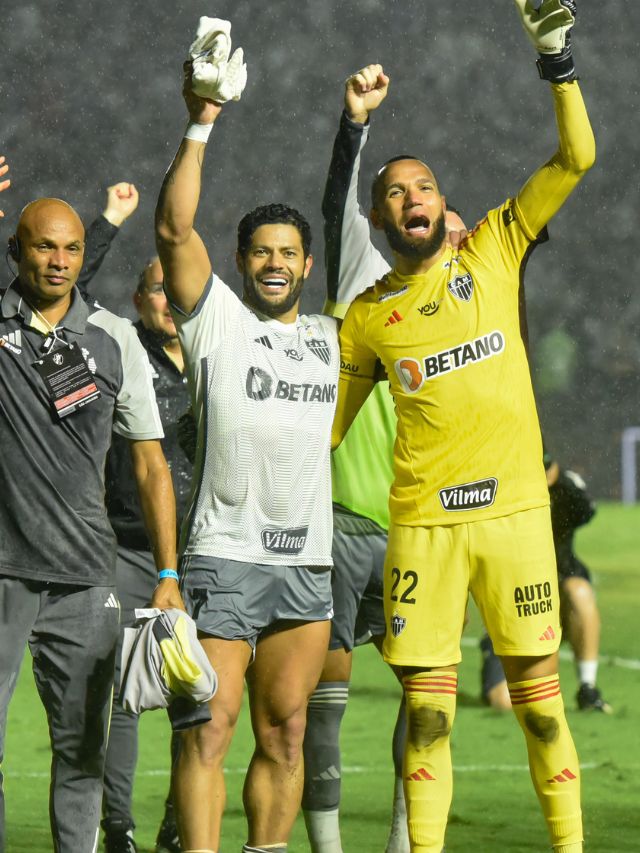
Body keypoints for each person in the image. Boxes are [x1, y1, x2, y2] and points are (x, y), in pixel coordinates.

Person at [332, 2, 595, 851]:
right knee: (431, 719)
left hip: (516, 518)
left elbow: (576, 156)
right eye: (394, 192)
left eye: (424, 186)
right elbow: (325, 429)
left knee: (544, 714)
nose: (411, 198)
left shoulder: (493, 249)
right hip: (426, 533)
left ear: (446, 206)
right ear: (379, 222)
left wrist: (556, 63)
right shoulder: (368, 319)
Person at [154, 41, 339, 853]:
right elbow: (172, 225)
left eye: (287, 252)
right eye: (260, 250)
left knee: (288, 730)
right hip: (223, 555)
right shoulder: (216, 320)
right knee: (208, 723)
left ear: (306, 264)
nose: (273, 262)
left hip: (307, 564)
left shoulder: (335, 338)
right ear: (240, 261)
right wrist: (202, 121)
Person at [302, 67, 469, 853]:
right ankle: (331, 847)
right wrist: (353, 126)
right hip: (338, 525)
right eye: (401, 198)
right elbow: (340, 203)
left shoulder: (469, 315)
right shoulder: (361, 280)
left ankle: (408, 842)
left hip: (424, 531)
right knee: (324, 696)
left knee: (425, 696)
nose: (426, 215)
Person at [0, 187, 183, 852]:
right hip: (2, 575)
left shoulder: (114, 341)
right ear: (16, 250)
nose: (58, 260)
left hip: (87, 581)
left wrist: (166, 570)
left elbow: (150, 465)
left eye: (72, 248)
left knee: (82, 755)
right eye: (44, 245)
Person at [73, 185, 190, 853]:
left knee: (192, 695)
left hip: (201, 552)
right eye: (154, 289)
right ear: (139, 299)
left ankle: (181, 825)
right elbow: (65, 295)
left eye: (176, 288)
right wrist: (108, 222)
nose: (167, 300)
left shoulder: (215, 358)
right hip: (123, 547)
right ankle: (117, 828)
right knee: (118, 694)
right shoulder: (117, 347)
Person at [481, 455, 612, 714]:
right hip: (513, 606)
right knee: (503, 702)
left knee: (580, 591)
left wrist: (558, 479)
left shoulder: (564, 490)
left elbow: (586, 511)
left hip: (557, 592)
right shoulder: (508, 491)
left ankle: (588, 687)